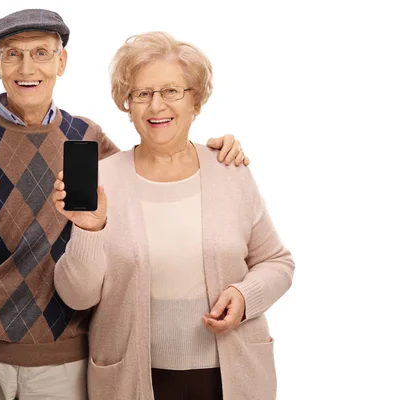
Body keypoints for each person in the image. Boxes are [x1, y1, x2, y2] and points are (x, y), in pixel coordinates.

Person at [0, 9, 248, 400]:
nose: (28, 67)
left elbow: (149, 167)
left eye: (42, 53)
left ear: (62, 62)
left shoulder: (87, 137)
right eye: (12, 54)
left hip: (65, 356)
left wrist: (210, 153)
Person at [52, 31, 295, 400]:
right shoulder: (103, 179)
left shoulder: (230, 169)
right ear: (127, 105)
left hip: (231, 377)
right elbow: (78, 297)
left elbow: (278, 262)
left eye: (171, 91)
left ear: (195, 101)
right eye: (142, 94)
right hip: (132, 379)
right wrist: (89, 230)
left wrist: (246, 295)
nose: (156, 106)